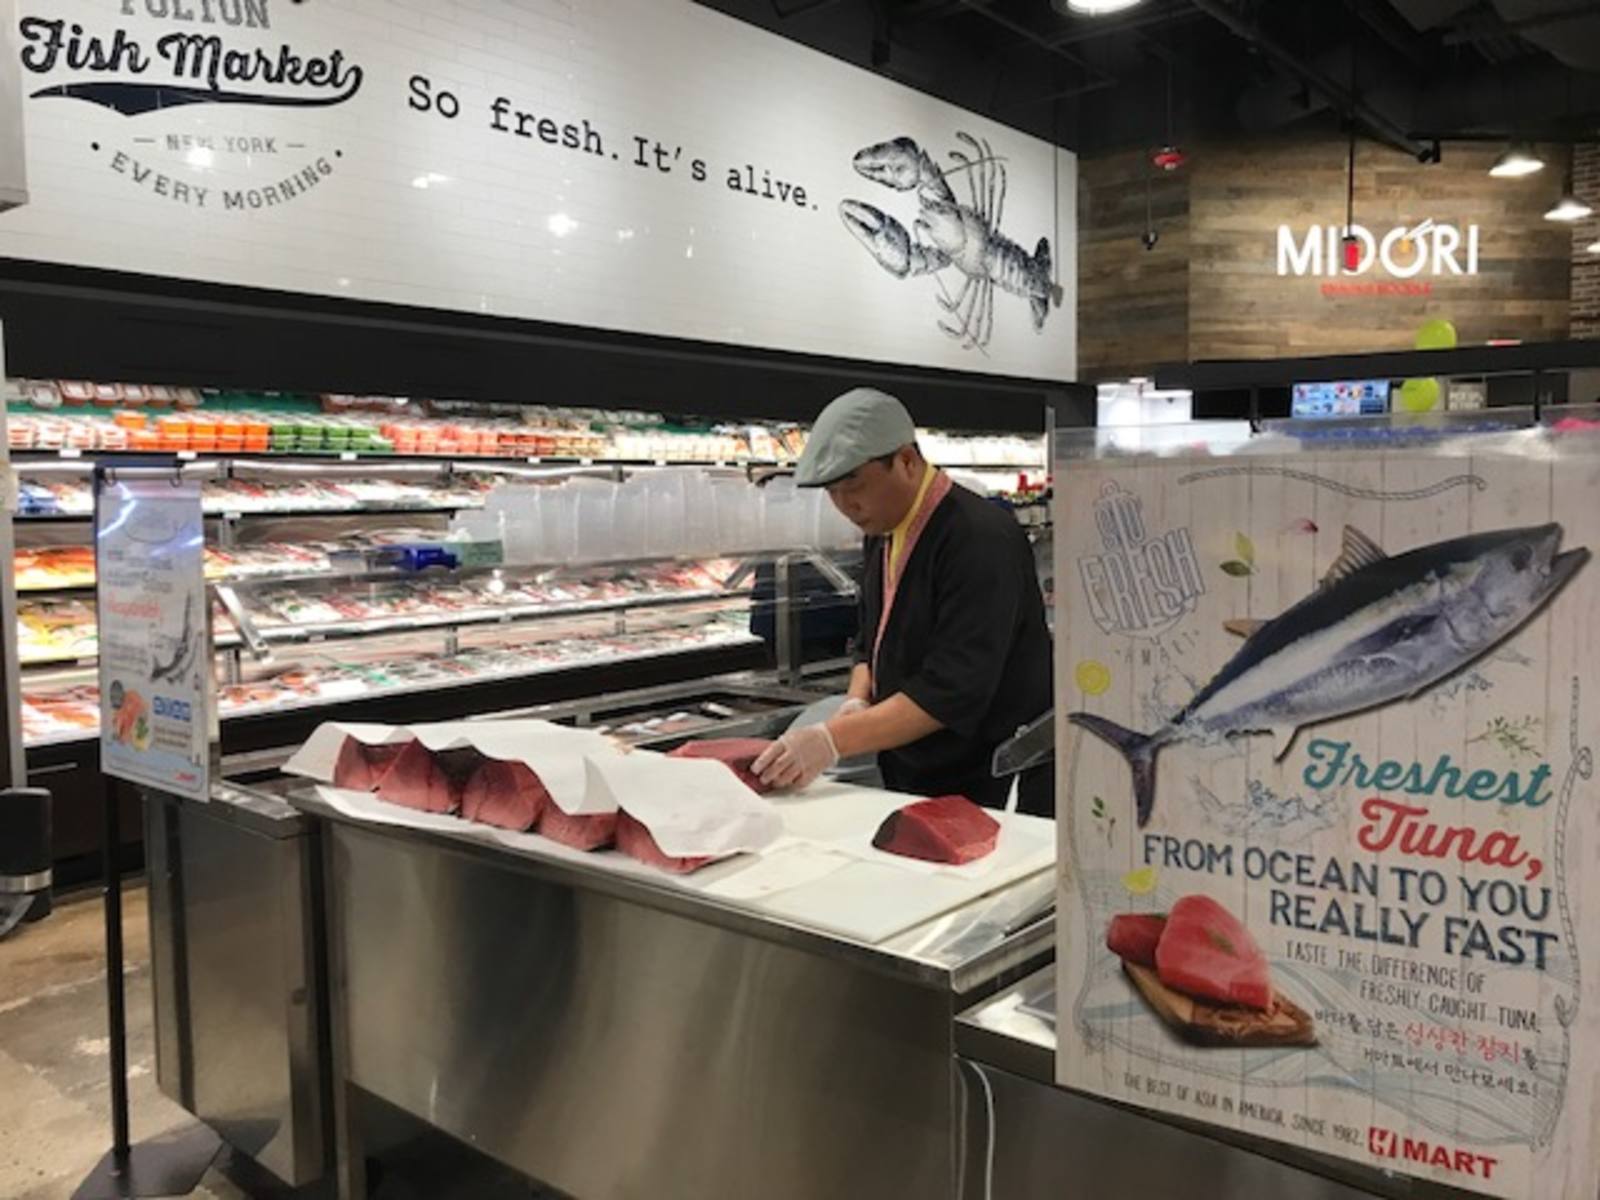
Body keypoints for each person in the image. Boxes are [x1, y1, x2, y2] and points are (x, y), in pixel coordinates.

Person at [753, 387, 1053, 815]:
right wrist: (856, 701)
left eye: (853, 483)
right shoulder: (883, 531)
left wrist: (833, 740)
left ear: (907, 461)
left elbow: (952, 689)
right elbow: (869, 638)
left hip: (991, 772)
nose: (845, 505)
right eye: (831, 492)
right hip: (915, 763)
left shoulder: (979, 537)